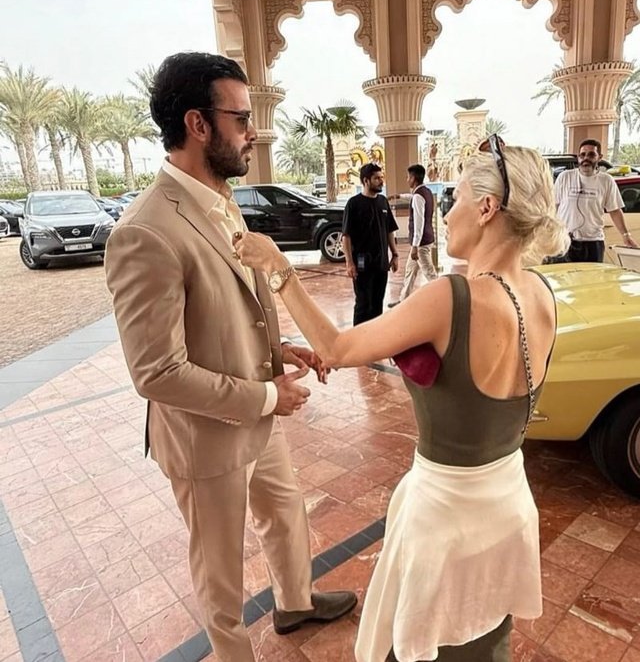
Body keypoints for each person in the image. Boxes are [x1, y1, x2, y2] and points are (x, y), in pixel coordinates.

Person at [234, 134, 569, 661]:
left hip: (445, 518)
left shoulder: (451, 297)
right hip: (508, 506)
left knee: (417, 644)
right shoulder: (542, 294)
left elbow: (338, 347)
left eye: (457, 198)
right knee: (484, 639)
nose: (447, 212)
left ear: (487, 208)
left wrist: (277, 265)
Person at [104, 52, 356, 662]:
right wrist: (269, 395)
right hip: (205, 435)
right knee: (219, 568)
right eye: (241, 119)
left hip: (257, 412)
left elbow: (231, 308)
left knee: (284, 512)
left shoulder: (222, 201)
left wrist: (281, 351)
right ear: (198, 124)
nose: (253, 133)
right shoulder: (145, 231)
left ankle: (294, 602)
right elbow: (157, 372)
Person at [554, 138, 638, 261]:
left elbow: (615, 210)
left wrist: (626, 235)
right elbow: (553, 206)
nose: (586, 158)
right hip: (564, 241)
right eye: (582, 155)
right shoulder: (565, 177)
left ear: (599, 157)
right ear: (578, 157)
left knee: (593, 273)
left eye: (591, 155)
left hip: (593, 243)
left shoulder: (606, 180)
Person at [342, 163, 399, 325]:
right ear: (366, 181)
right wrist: (349, 262)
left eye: (381, 177)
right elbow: (346, 236)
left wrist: (395, 254)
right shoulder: (354, 204)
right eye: (377, 178)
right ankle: (358, 336)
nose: (381, 181)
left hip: (381, 263)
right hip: (362, 262)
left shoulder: (383, 202)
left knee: (377, 302)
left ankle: (375, 335)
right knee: (363, 303)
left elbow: (389, 230)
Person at [388, 164, 437, 307]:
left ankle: (446, 298)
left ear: (414, 178)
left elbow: (418, 224)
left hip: (421, 244)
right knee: (410, 272)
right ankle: (403, 301)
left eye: (408, 177)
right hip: (425, 240)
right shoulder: (425, 192)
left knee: (430, 274)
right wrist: (398, 196)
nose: (407, 179)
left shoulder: (418, 197)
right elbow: (413, 197)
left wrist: (415, 246)